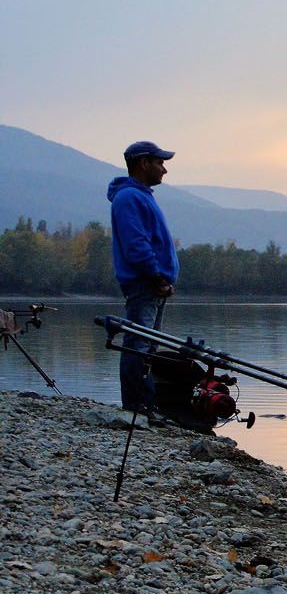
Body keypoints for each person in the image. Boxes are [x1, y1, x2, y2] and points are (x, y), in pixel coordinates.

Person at [108, 140, 179, 415]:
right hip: (144, 284)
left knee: (148, 346)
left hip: (153, 284)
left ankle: (146, 404)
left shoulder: (142, 195)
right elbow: (136, 245)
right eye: (159, 163)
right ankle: (136, 406)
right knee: (138, 345)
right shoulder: (129, 198)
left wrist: (163, 278)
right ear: (143, 163)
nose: (164, 169)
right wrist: (156, 276)